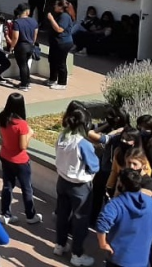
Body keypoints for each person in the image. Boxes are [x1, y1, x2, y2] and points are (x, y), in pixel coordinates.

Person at [55, 106, 100, 265]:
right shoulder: (84, 144)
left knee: (62, 214)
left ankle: (60, 245)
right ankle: (77, 255)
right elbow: (94, 166)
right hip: (80, 187)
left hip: (62, 181)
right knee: (81, 220)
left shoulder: (62, 136)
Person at [0, 93, 41, 225]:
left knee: (7, 186)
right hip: (20, 161)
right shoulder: (22, 124)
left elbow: (2, 136)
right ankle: (30, 215)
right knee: (27, 188)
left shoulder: (2, 118)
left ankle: (5, 214)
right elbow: (23, 146)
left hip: (5, 156)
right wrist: (30, 134)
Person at [97, 167, 152, 267]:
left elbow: (102, 224)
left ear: (121, 184)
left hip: (118, 259)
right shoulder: (151, 203)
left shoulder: (116, 204)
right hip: (142, 260)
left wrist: (103, 244)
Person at [6, 4, 39, 92]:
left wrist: (12, 47)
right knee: (26, 64)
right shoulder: (34, 21)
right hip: (30, 45)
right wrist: (32, 43)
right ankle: (27, 82)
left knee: (22, 65)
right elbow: (35, 35)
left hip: (21, 46)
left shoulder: (17, 22)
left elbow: (15, 37)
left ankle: (24, 84)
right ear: (27, 12)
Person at [47, 0, 76, 90]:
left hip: (63, 43)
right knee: (52, 60)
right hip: (55, 42)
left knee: (60, 62)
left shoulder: (65, 16)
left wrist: (51, 19)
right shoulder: (59, 15)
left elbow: (59, 29)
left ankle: (62, 83)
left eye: (56, 5)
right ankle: (53, 78)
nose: (54, 7)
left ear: (61, 7)